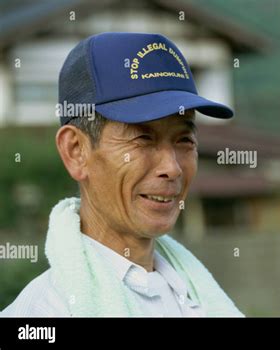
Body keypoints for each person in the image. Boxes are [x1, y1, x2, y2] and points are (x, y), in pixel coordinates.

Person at [2, 32, 243, 317]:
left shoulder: (195, 295)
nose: (172, 167)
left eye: (184, 140)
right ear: (76, 151)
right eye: (143, 138)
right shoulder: (43, 313)